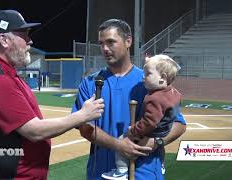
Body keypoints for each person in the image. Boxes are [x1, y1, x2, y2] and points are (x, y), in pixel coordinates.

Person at [0, 10, 104, 180]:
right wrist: (83, 115)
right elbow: (34, 131)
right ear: (4, 40)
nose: (30, 40)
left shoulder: (7, 74)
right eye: (23, 34)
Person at [72, 19, 186, 180]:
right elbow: (85, 128)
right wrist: (119, 145)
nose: (105, 48)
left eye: (111, 42)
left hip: (145, 173)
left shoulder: (149, 81)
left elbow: (179, 124)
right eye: (101, 43)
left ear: (128, 41)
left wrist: (156, 142)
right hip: (101, 173)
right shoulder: (90, 83)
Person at [101, 54, 182, 180]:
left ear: (162, 78)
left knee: (122, 141)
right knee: (159, 149)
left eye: (148, 74)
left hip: (150, 133)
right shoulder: (173, 93)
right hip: (164, 130)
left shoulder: (154, 98)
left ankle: (121, 171)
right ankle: (161, 164)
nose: (143, 77)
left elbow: (149, 122)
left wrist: (133, 130)